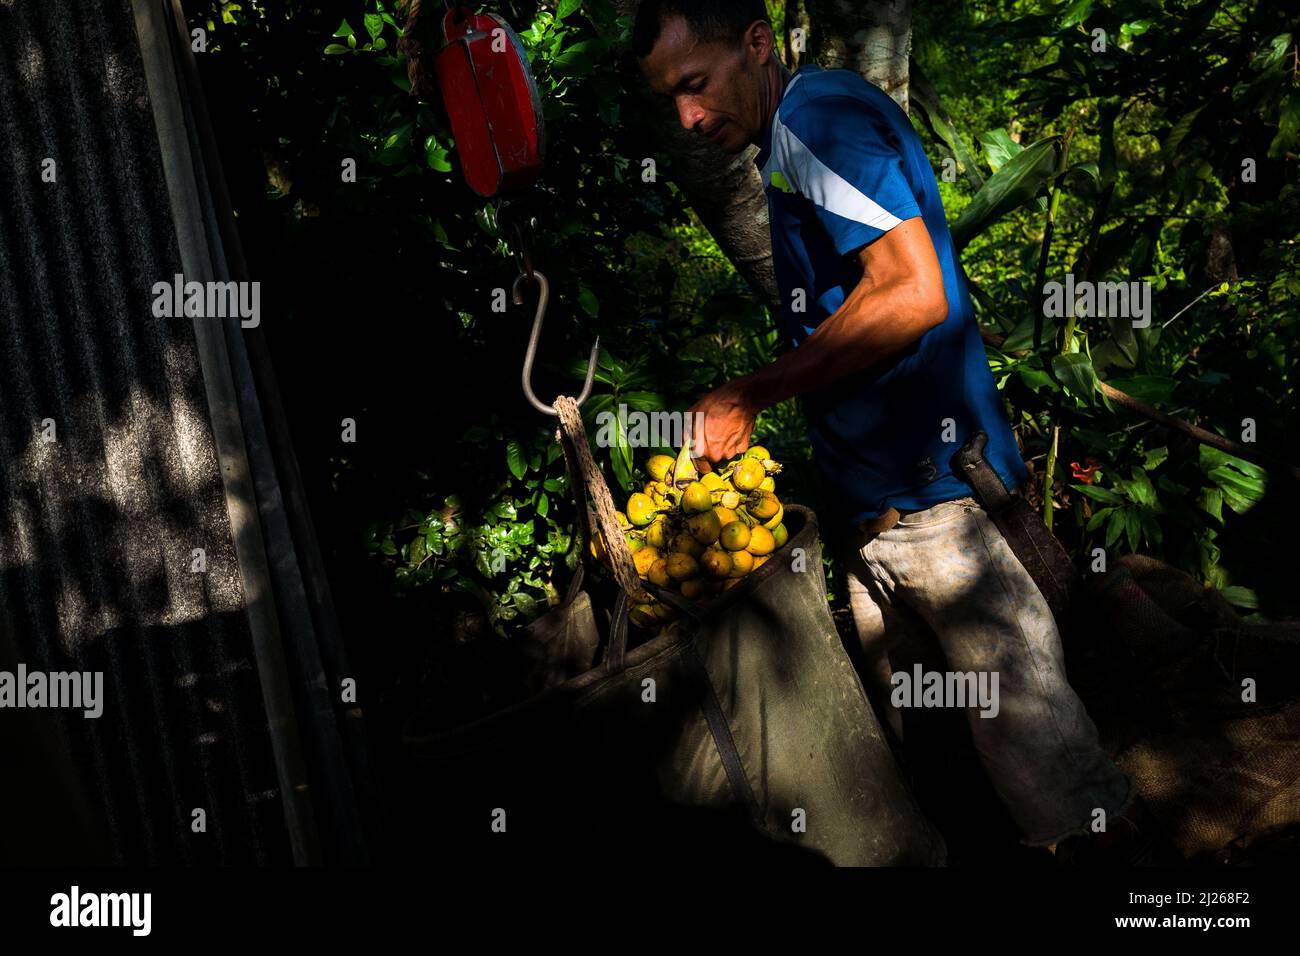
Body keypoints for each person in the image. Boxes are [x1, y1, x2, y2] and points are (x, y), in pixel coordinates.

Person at [633, 0, 1163, 861]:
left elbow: (914, 293)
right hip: (886, 512)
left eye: (695, 84)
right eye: (671, 100)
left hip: (935, 506)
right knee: (952, 762)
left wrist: (753, 392)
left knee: (1059, 786)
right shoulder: (804, 127)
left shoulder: (815, 121)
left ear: (758, 44)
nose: (688, 117)